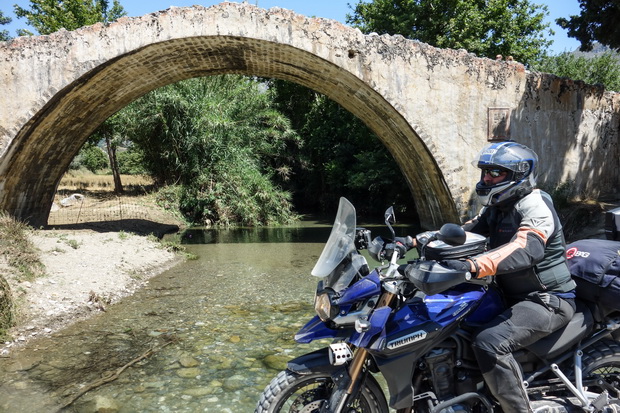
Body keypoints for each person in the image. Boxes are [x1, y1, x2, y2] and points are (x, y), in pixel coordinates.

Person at [441, 141, 577, 413]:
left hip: (547, 300)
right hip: (510, 295)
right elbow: (465, 234)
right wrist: (415, 242)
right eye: (485, 172)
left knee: (489, 343)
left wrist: (473, 266)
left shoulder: (535, 204)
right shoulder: (496, 208)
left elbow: (526, 248)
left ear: (519, 174)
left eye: (496, 173)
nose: (487, 179)